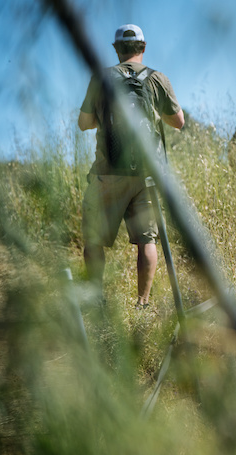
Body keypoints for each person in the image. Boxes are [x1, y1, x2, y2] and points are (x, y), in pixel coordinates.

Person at [78, 23, 184, 309]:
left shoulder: (101, 79)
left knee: (94, 239)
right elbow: (179, 122)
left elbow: (83, 123)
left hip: (107, 173)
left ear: (116, 49)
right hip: (147, 174)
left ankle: (97, 301)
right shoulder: (157, 79)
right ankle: (142, 304)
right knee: (147, 240)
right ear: (143, 47)